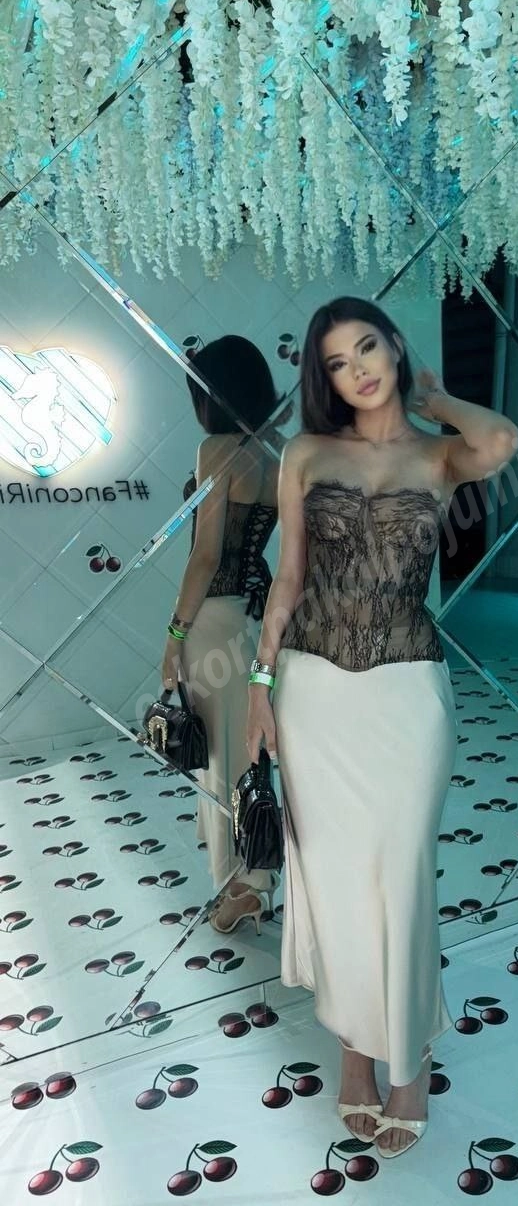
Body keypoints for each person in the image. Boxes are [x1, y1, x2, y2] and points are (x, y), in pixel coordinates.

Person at [245, 296, 518, 1157]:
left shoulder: (440, 455)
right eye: (337, 361)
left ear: (394, 348)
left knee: (399, 878)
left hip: (407, 695)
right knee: (335, 884)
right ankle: (357, 1057)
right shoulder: (306, 453)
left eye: (367, 347)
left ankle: (410, 1065)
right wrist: (260, 682)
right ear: (323, 378)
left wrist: (436, 398)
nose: (357, 369)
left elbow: (502, 440)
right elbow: (288, 580)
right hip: (314, 692)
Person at [161, 335, 282, 935]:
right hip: (256, 615)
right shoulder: (280, 450)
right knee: (248, 753)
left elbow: (206, 554)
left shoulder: (216, 449)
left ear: (212, 395)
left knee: (220, 760)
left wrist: (174, 633)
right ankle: (254, 879)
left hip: (211, 621)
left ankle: (243, 886)